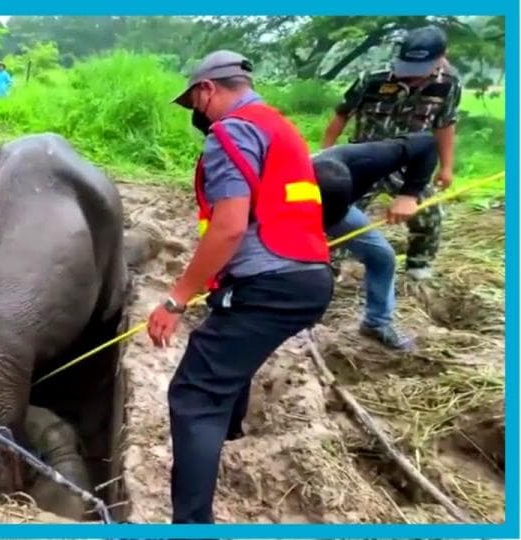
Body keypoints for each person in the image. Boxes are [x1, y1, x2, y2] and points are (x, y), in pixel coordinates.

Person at [146, 50, 334, 524]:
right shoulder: (277, 125)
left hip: (270, 283)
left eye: (194, 102)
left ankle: (190, 524)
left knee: (194, 395)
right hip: (307, 277)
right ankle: (228, 432)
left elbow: (228, 227)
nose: (196, 114)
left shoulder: (229, 134)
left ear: (207, 89)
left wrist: (177, 298)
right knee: (229, 348)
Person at [321, 25, 462, 281]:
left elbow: (445, 124)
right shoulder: (374, 78)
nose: (411, 79)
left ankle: (418, 267)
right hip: (364, 160)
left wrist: (446, 166)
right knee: (335, 214)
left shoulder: (449, 84)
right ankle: (327, 267)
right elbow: (342, 114)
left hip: (412, 164)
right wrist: (328, 156)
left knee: (430, 215)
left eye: (419, 72)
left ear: (441, 57)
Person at [314, 132, 440, 352]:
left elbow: (427, 142)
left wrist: (409, 194)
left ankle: (377, 322)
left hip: (336, 209)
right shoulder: (275, 181)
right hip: (287, 213)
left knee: (382, 257)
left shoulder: (368, 159)